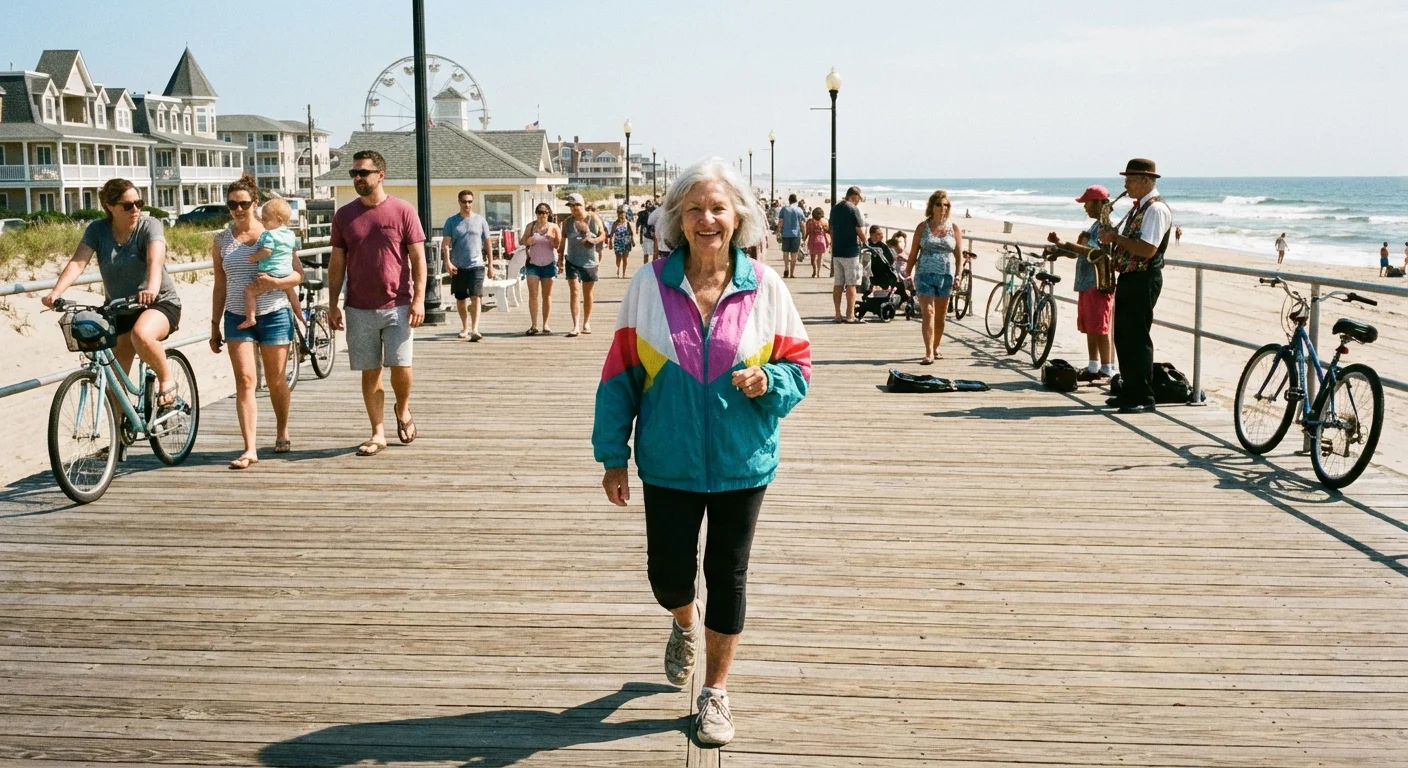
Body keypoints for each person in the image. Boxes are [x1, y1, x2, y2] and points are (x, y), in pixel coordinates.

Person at [594, 158, 811, 747]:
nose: (707, 219)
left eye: (718, 208)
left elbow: (800, 367)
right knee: (667, 573)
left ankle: (715, 694)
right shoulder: (649, 285)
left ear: (737, 217)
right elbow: (620, 376)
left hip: (744, 460)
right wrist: (612, 454)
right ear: (677, 219)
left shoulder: (765, 286)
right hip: (668, 459)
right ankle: (682, 622)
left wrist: (772, 381)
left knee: (727, 572)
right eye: (695, 209)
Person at [43, 177, 183, 418]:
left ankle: (166, 379)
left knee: (142, 334)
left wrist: (151, 287)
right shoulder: (98, 230)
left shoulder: (149, 225)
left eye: (138, 203)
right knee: (116, 385)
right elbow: (78, 262)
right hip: (120, 309)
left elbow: (155, 261)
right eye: (127, 206)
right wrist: (56, 293)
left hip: (159, 302)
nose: (136, 209)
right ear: (109, 206)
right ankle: (120, 441)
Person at [327, 149, 428, 456]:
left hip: (398, 304)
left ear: (380, 175)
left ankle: (404, 407)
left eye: (363, 173)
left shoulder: (402, 211)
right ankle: (377, 432)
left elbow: (418, 258)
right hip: (358, 307)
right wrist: (333, 303)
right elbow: (336, 262)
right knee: (370, 371)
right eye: (353, 174)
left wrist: (420, 299)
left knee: (400, 366)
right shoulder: (344, 216)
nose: (357, 178)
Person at [207, 173, 304, 468]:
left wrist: (275, 284)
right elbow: (220, 284)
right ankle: (249, 448)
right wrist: (214, 324)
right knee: (246, 380)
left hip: (274, 314)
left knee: (276, 381)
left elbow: (298, 274)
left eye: (244, 203)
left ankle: (281, 430)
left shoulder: (275, 232)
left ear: (255, 203)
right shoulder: (222, 240)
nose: (238, 209)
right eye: (232, 204)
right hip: (236, 316)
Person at [1098, 158, 1171, 414]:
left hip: (1144, 278)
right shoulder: (1138, 208)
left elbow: (1147, 249)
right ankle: (1129, 390)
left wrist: (1116, 237)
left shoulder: (1156, 209)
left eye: (1129, 180)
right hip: (1130, 276)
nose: (1126, 185)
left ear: (1145, 181)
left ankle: (1143, 396)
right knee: (1123, 336)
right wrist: (1109, 237)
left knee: (1138, 338)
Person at [1047, 185, 1116, 382]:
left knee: (1100, 328)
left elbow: (1094, 253)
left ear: (1098, 203)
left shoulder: (1105, 227)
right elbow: (1081, 251)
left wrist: (1065, 244)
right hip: (1087, 282)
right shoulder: (1095, 226)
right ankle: (1094, 366)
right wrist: (1058, 250)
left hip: (1098, 283)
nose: (1085, 207)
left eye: (1087, 203)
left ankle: (1106, 368)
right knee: (1090, 326)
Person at [908, 190, 962, 363]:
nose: (943, 208)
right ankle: (929, 351)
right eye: (939, 204)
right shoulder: (922, 227)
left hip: (946, 276)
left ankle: (936, 346)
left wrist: (959, 275)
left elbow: (959, 256)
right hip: (924, 273)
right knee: (928, 312)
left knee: (940, 315)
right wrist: (907, 272)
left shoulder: (954, 228)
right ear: (932, 206)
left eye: (946, 205)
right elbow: (913, 252)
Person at [236, 198, 302, 331]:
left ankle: (250, 318)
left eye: (265, 219)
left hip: (270, 272)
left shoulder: (269, 235)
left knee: (249, 292)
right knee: (291, 292)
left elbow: (267, 251)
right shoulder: (290, 234)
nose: (263, 222)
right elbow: (292, 251)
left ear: (279, 219)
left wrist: (253, 258)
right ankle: (300, 314)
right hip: (286, 273)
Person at [441, 190, 494, 341]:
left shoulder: (480, 220)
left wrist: (490, 265)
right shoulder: (451, 221)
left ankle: (475, 329)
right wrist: (448, 262)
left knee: (476, 296)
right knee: (461, 298)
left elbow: (487, 243)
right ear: (459, 202)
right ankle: (465, 327)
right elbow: (445, 245)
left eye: (470, 201)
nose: (467, 205)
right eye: (464, 202)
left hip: (476, 264)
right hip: (458, 266)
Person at [560, 192, 603, 337]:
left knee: (587, 293)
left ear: (582, 205)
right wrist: (560, 258)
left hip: (590, 261)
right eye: (570, 206)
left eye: (575, 205)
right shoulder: (567, 222)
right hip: (572, 260)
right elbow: (563, 240)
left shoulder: (593, 218)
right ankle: (575, 325)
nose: (573, 208)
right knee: (574, 291)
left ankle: (586, 322)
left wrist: (594, 241)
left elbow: (603, 234)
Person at [521, 202, 561, 335]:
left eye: (544, 213)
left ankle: (546, 324)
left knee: (547, 295)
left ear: (548, 214)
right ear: (536, 214)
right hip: (533, 263)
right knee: (533, 295)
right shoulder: (531, 226)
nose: (542, 215)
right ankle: (533, 324)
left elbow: (558, 245)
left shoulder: (553, 227)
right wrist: (528, 241)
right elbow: (522, 241)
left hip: (549, 263)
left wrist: (552, 239)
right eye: (539, 212)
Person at [829, 186, 867, 323]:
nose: (859, 202)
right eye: (859, 198)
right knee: (851, 284)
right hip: (851, 252)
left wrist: (834, 243)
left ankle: (837, 314)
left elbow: (831, 229)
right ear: (853, 196)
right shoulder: (853, 209)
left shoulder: (835, 209)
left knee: (838, 283)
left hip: (837, 252)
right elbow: (859, 229)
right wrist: (865, 242)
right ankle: (850, 315)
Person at [776, 194, 807, 278]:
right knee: (794, 254)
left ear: (789, 200)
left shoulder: (784, 209)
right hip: (796, 234)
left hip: (785, 234)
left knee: (785, 252)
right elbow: (802, 223)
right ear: (796, 201)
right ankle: (792, 273)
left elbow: (780, 221)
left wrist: (778, 232)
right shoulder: (799, 210)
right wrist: (804, 233)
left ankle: (786, 268)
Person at [611, 205, 636, 278]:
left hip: (626, 242)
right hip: (617, 242)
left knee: (625, 258)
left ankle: (624, 272)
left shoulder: (628, 223)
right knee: (618, 258)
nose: (621, 214)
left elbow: (632, 233)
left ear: (625, 214)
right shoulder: (615, 223)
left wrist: (633, 241)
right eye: (619, 213)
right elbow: (612, 233)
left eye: (622, 213)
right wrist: (610, 242)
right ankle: (618, 269)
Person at [804, 208, 829, 279]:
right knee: (820, 258)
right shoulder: (825, 221)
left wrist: (804, 239)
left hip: (812, 240)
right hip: (822, 241)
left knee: (813, 258)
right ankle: (818, 272)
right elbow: (828, 231)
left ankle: (814, 271)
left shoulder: (810, 222)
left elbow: (807, 232)